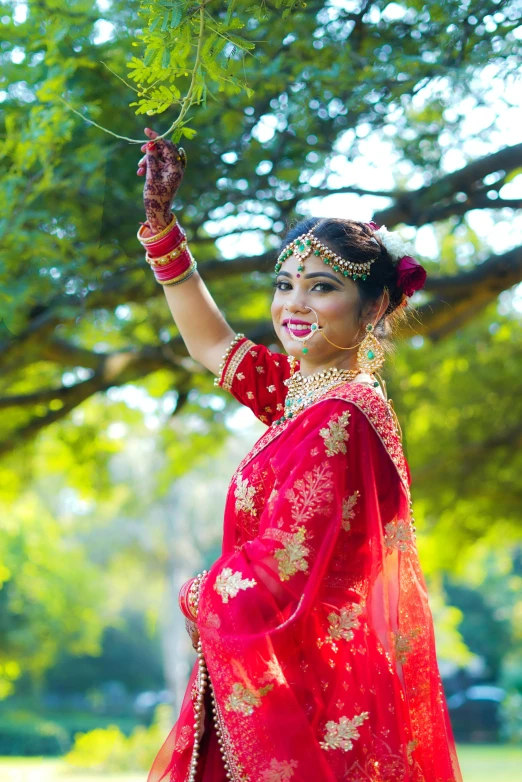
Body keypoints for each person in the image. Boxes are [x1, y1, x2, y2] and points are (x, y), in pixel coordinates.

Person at [136, 128, 463, 782]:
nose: (293, 304)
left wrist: (195, 594)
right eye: (285, 285)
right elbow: (212, 345)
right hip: (294, 682)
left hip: (304, 706)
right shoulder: (309, 395)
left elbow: (279, 570)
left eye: (320, 287)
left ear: (373, 309)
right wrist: (162, 226)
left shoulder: (338, 418)